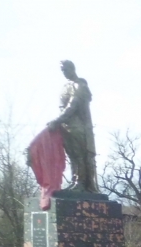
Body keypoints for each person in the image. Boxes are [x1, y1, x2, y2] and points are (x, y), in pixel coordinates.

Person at [48, 60, 97, 193]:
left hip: (78, 127)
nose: (64, 73)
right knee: (73, 156)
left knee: (79, 155)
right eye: (62, 71)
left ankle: (81, 183)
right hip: (67, 126)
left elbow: (72, 106)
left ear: (72, 69)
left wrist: (57, 121)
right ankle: (75, 181)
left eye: (65, 70)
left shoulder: (79, 85)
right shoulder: (67, 86)